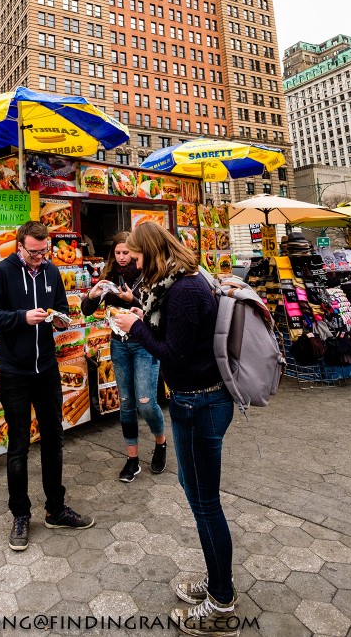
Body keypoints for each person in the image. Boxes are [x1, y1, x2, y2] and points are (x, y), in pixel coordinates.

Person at [114, 222, 238, 637]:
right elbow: (174, 335)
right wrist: (142, 318)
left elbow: (174, 354)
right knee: (195, 490)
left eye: (138, 256)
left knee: (206, 505)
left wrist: (136, 329)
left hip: (199, 402)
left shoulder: (185, 290)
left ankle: (221, 602)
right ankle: (216, 580)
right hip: (195, 400)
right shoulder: (183, 279)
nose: (135, 263)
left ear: (152, 252)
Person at [0, 221, 94, 552]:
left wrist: (60, 319)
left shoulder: (51, 272)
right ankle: (20, 515)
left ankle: (56, 509)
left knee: (53, 441)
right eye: (34, 252)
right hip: (14, 371)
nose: (40, 258)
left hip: (46, 368)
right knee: (18, 446)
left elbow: (62, 309)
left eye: (44, 252)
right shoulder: (3, 272)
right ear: (20, 247)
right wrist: (20, 317)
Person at [81, 231, 166, 482]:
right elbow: (87, 311)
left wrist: (133, 298)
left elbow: (158, 309)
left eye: (126, 253)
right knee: (126, 402)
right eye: (117, 253)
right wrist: (94, 295)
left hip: (144, 344)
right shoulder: (109, 277)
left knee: (146, 402)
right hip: (118, 345)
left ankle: (160, 443)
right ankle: (132, 459)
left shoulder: (147, 275)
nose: (121, 257)